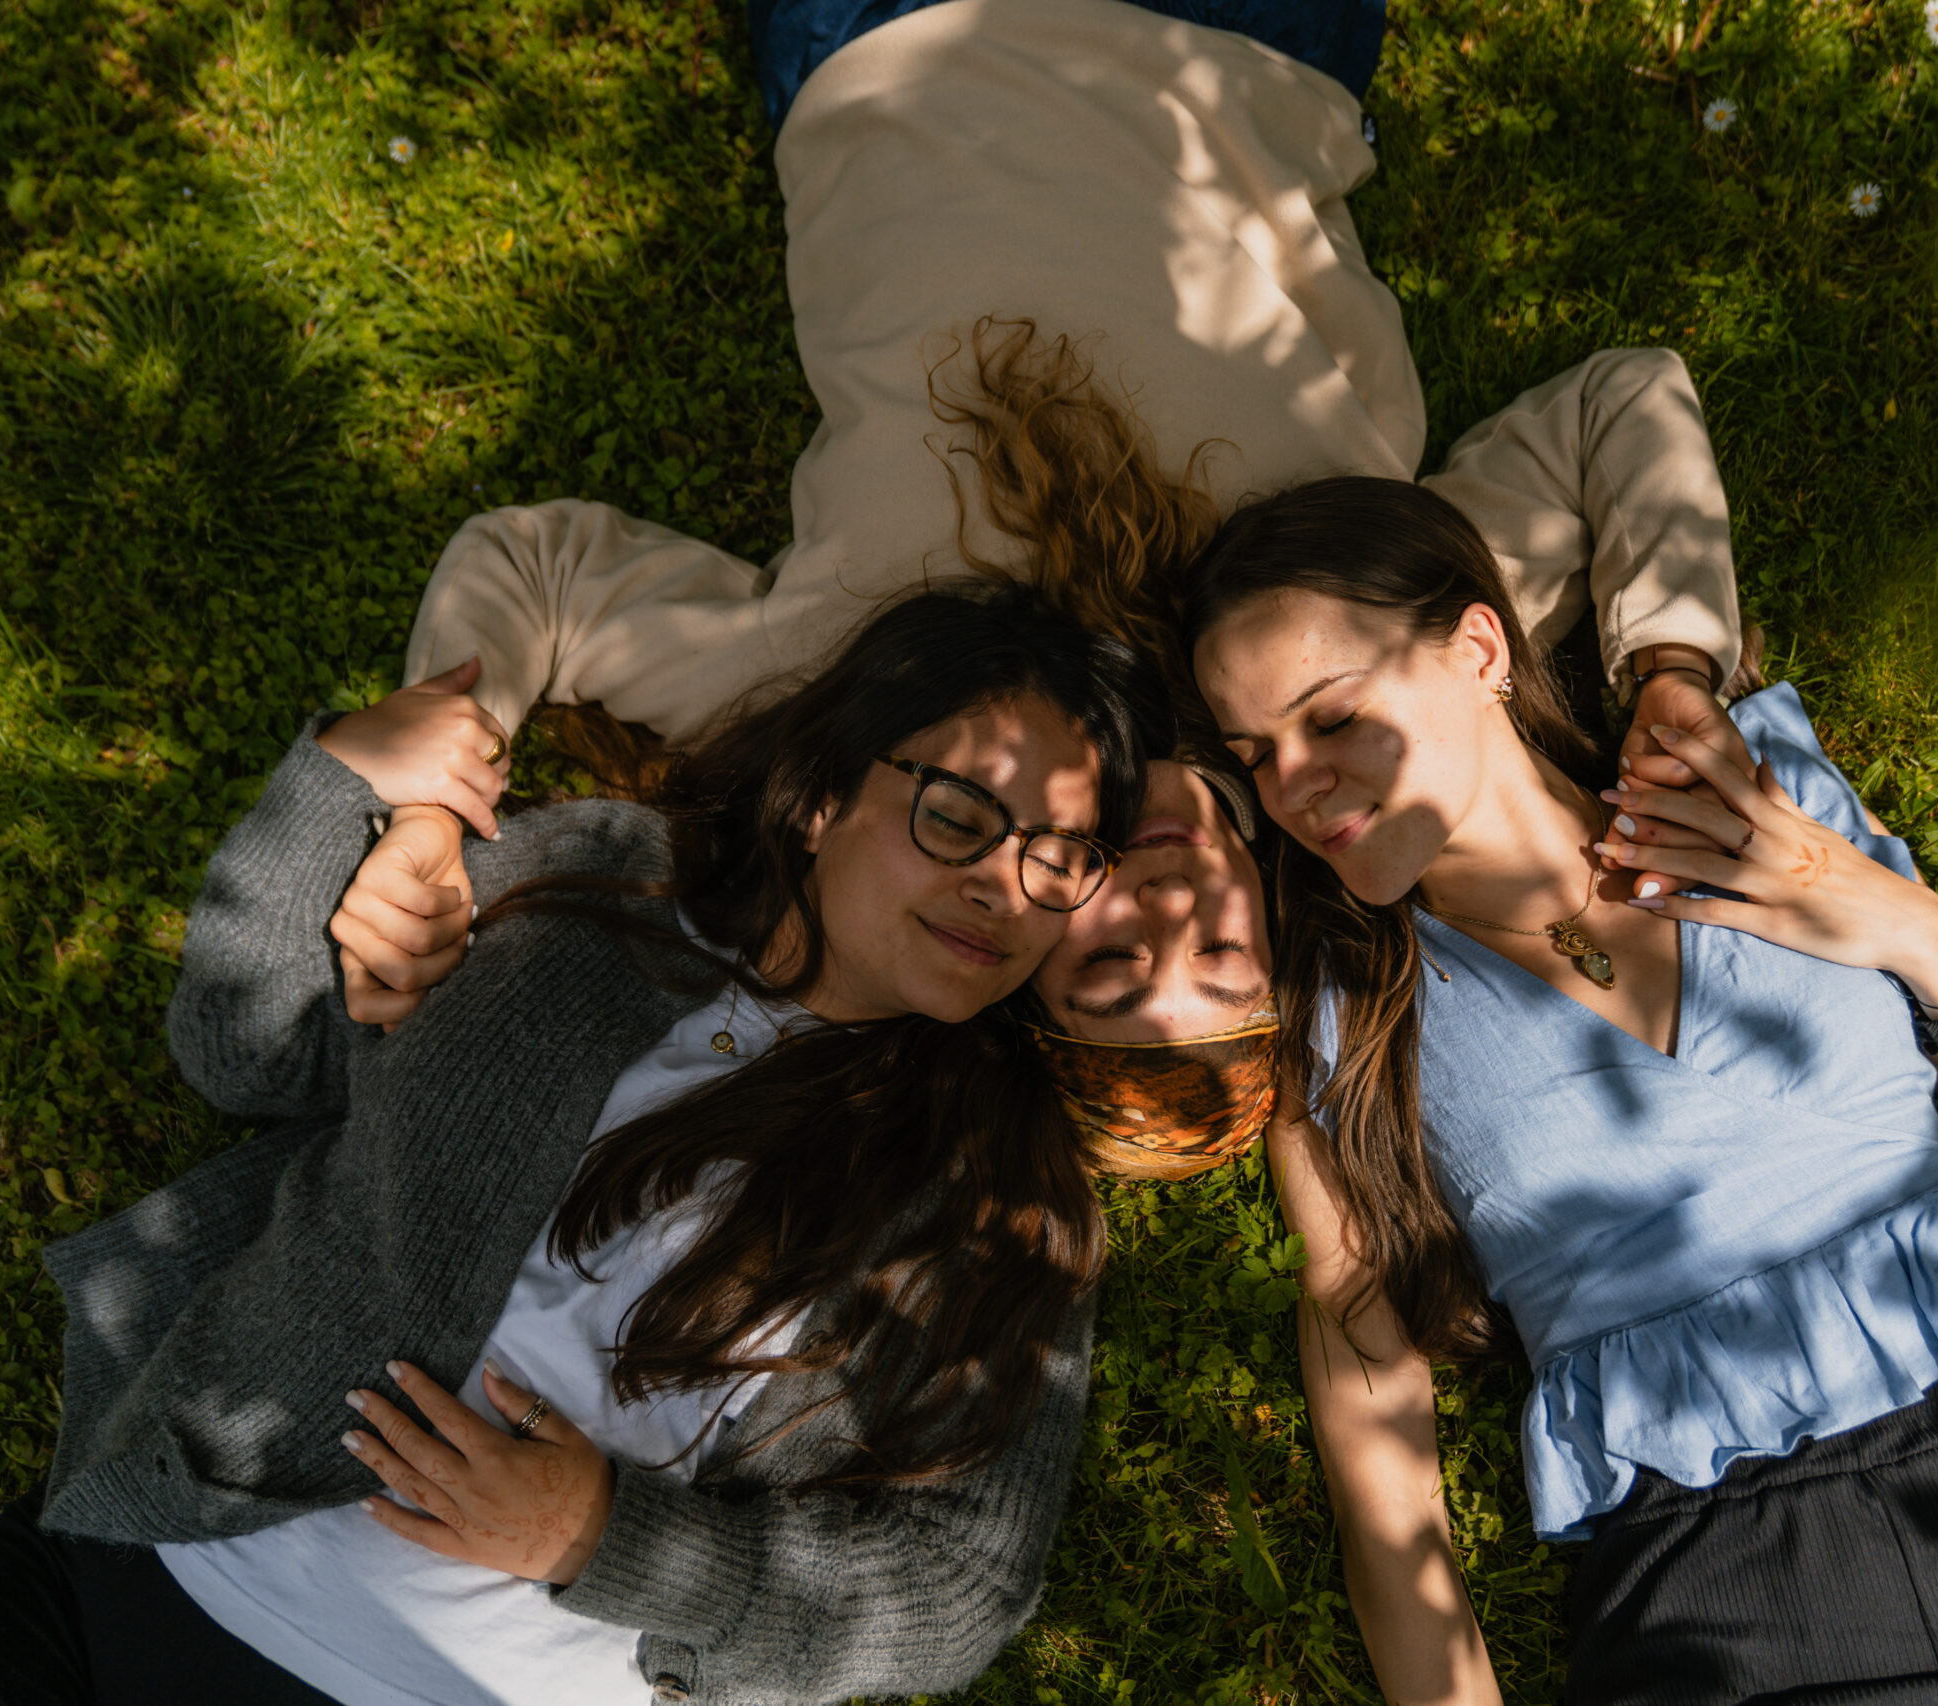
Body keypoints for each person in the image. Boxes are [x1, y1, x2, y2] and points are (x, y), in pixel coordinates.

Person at [343, 0, 1760, 1050]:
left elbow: (530, 570)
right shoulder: (1348, 655)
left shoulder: (864, 705)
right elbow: (1621, 405)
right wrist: (1674, 678)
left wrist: (422, 815)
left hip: (881, 34)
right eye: (1221, 959)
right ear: (1279, 924)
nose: (1164, 915)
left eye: (1106, 968)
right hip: (1252, 41)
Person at [0, 587, 1158, 1706]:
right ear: (824, 794)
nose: (1005, 887)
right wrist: (346, 781)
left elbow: (960, 1587)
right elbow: (244, 1050)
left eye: (1061, 858)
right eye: (959, 817)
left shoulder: (1000, 1207)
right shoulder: (593, 876)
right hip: (150, 1552)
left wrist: (604, 1535)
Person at [1179, 476, 1938, 1705]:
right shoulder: (1343, 1021)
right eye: (1255, 755)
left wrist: (1911, 927)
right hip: (1715, 1601)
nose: (1294, 784)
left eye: (1329, 718)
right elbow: (1378, 1458)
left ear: (1478, 648)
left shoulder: (1760, 796)